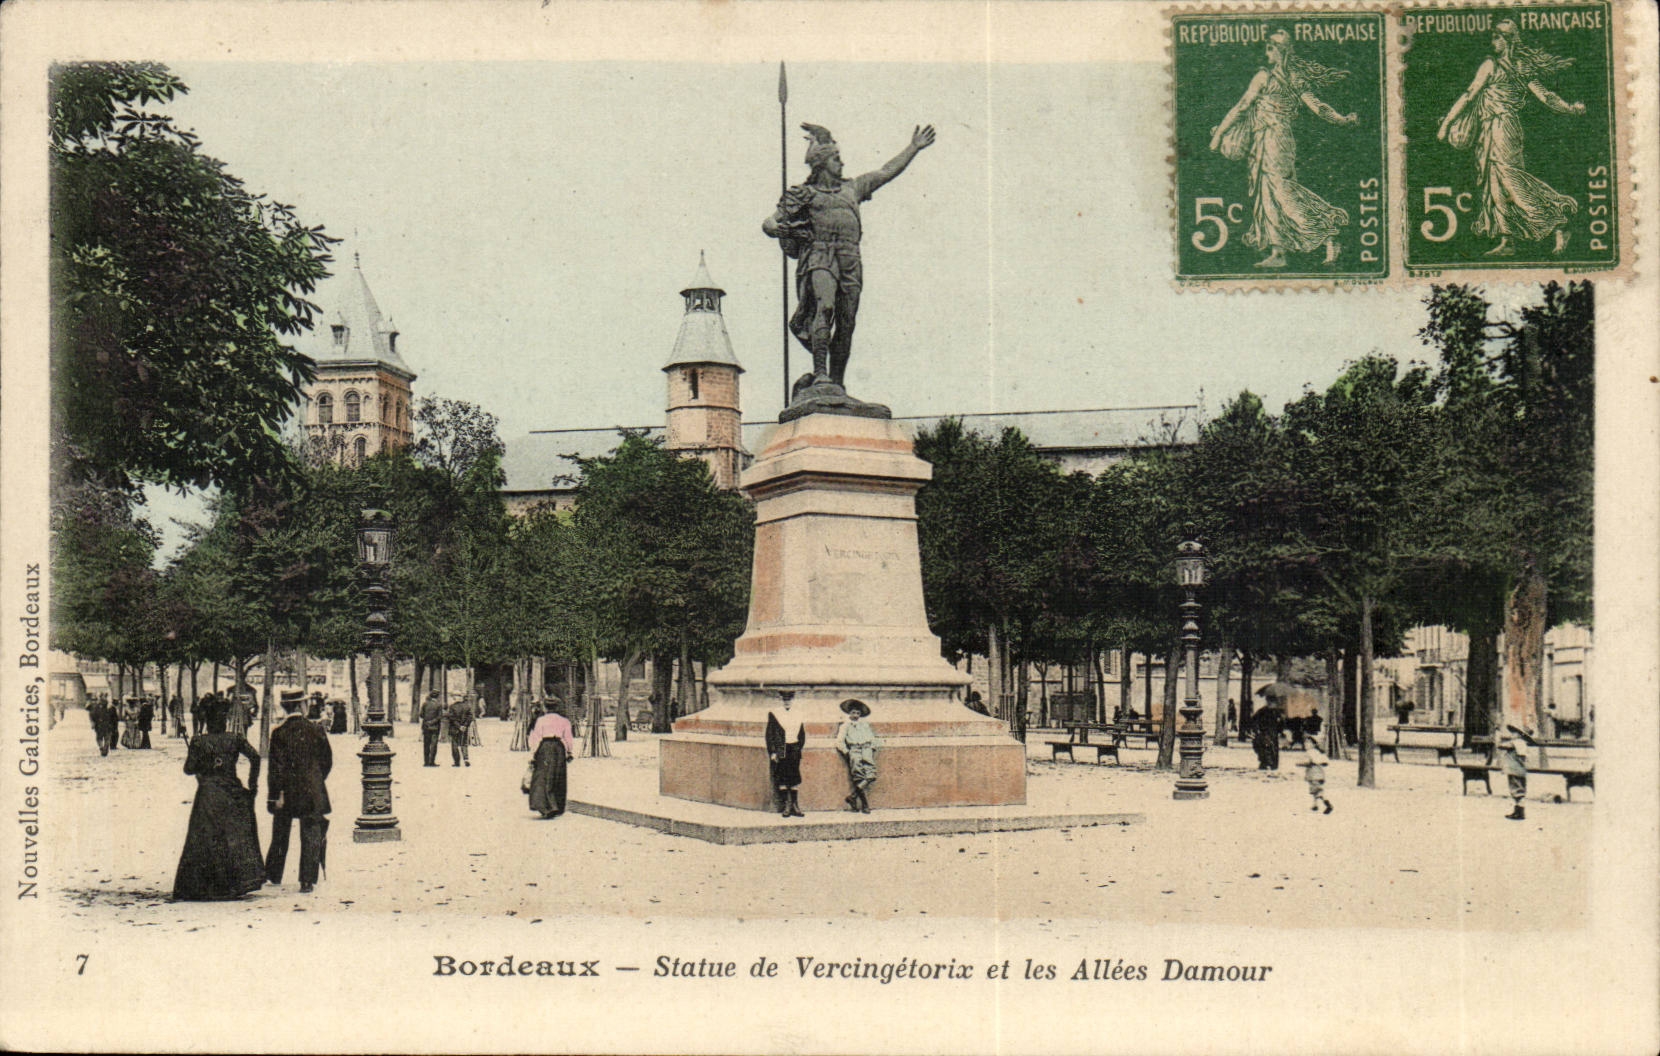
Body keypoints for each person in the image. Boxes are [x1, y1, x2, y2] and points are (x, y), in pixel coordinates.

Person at [763, 122, 935, 401]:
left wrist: (913, 147)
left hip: (850, 259)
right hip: (820, 255)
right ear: (821, 164)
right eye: (835, 159)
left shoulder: (852, 189)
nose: (841, 163)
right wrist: (788, 231)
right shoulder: (804, 194)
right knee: (825, 306)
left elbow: (886, 171)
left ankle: (836, 383)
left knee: (847, 321)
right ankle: (820, 374)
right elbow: (770, 223)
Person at [1208, 29, 1358, 268]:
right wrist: (1342, 119)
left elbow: (1242, 106)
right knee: (1269, 193)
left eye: (1271, 47)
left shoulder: (1263, 76)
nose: (1267, 51)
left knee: (1279, 191)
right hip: (1277, 140)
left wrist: (1218, 137)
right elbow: (1318, 107)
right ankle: (1279, 252)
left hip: (1271, 140)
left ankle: (1327, 231)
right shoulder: (1295, 77)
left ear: (1280, 51)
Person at [1437, 19, 1585, 257]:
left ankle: (1559, 220)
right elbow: (1546, 97)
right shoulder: (1518, 67)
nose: (1492, 42)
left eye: (1496, 37)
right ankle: (1508, 241)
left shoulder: (1493, 65)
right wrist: (1570, 108)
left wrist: (1446, 124)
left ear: (1507, 40)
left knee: (1509, 180)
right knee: (1496, 184)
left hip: (1502, 128)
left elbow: (1468, 96)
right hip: (1493, 128)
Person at [172, 703, 265, 901]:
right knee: (232, 837)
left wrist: (200, 763)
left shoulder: (198, 741)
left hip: (208, 793)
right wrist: (252, 785)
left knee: (205, 838)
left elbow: (189, 769)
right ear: (224, 722)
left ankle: (206, 885)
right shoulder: (234, 738)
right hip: (232, 790)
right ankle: (235, 883)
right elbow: (255, 757)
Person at [265, 690, 333, 893]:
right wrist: (317, 779)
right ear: (301, 706)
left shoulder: (278, 733)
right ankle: (307, 880)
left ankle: (274, 874)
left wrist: (275, 794)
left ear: (286, 707)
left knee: (280, 830)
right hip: (312, 790)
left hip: (287, 791)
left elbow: (275, 769)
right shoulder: (316, 730)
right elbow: (327, 760)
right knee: (311, 831)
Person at [526, 702, 575, 819]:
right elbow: (568, 738)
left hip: (545, 747)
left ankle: (545, 806)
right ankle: (557, 805)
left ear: (546, 708)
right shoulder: (564, 721)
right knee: (558, 776)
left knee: (543, 776)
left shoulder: (541, 720)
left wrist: (533, 754)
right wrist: (569, 752)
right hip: (559, 748)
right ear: (557, 708)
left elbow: (536, 737)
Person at [835, 699, 881, 814]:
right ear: (849, 713)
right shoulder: (845, 726)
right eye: (853, 713)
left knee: (871, 775)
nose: (855, 715)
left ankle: (853, 796)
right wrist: (847, 752)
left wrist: (872, 748)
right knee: (858, 777)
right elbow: (839, 742)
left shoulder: (864, 725)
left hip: (866, 750)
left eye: (858, 713)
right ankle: (865, 805)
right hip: (854, 750)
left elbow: (872, 738)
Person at [765, 695, 806, 818]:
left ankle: (795, 805)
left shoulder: (798, 714)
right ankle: (786, 806)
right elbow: (770, 734)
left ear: (793, 701)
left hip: (794, 749)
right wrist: (773, 751)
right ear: (781, 701)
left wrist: (798, 747)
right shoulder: (775, 714)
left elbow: (802, 734)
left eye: (789, 700)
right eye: (785, 700)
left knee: (794, 777)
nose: (787, 702)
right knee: (782, 777)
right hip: (781, 750)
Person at [1498, 724, 1534, 821]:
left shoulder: (1514, 743)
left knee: (1516, 790)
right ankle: (1519, 811)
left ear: (1519, 735)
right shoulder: (1523, 744)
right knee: (1521, 789)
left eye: (1514, 733)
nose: (1512, 734)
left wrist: (1498, 735)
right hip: (1521, 770)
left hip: (1513, 770)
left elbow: (1500, 745)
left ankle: (1519, 812)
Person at [1250, 685, 1284, 770]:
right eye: (1269, 700)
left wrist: (1280, 729)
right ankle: (1267, 762)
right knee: (1265, 747)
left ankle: (1270, 763)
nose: (1269, 702)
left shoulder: (1276, 712)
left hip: (1271, 732)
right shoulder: (1264, 711)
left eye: (1271, 701)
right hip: (1265, 732)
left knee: (1270, 747)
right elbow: (1254, 720)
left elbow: (1282, 722)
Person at [1301, 737, 1333, 815]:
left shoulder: (1310, 752)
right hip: (1319, 774)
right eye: (1305, 742)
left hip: (1314, 774)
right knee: (1315, 790)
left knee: (1317, 791)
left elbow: (1308, 762)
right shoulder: (1318, 752)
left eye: (1308, 742)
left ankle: (1327, 804)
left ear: (1313, 744)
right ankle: (1315, 805)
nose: (1306, 744)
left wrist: (1300, 763)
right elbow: (1324, 762)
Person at [447, 695, 475, 767]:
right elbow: (470, 717)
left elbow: (451, 718)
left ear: (455, 698)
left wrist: (459, 726)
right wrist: (465, 725)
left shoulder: (452, 707)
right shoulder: (467, 706)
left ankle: (457, 762)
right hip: (464, 729)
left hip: (455, 728)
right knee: (464, 743)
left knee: (454, 744)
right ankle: (466, 759)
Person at [419, 691, 444, 767]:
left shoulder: (425, 704)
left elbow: (421, 715)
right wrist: (432, 722)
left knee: (426, 744)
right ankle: (431, 761)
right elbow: (440, 716)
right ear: (437, 696)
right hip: (435, 727)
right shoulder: (439, 705)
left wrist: (427, 721)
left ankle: (426, 762)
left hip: (426, 726)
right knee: (433, 745)